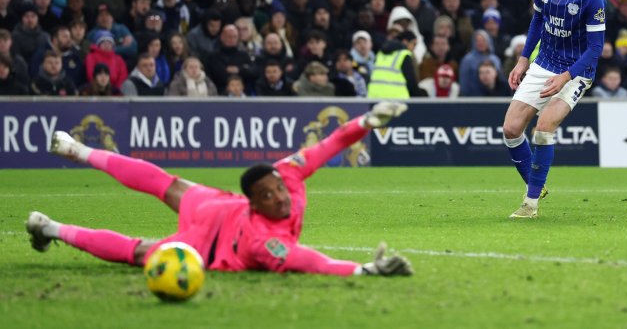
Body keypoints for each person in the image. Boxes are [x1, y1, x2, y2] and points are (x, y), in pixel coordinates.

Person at [26, 102, 413, 277]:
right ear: (254, 203)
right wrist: (362, 270)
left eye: (279, 189)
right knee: (138, 251)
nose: (280, 197)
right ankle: (51, 228)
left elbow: (330, 143)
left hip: (217, 204)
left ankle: (76, 155)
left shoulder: (288, 173)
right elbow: (310, 261)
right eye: (268, 196)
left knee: (165, 183)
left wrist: (366, 121)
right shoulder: (263, 242)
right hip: (205, 242)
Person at [502, 0, 606, 219]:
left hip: (577, 70)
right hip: (545, 62)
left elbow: (595, 49)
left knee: (543, 128)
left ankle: (530, 204)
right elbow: (538, 20)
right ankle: (537, 184)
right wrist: (523, 59)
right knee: (511, 129)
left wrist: (566, 77)